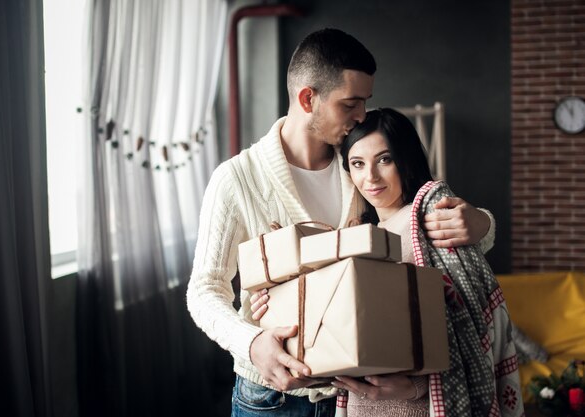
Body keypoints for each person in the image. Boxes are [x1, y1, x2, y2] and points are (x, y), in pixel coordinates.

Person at [187, 28, 496, 417]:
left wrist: (482, 224)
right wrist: (251, 342)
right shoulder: (236, 179)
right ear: (307, 99)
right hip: (271, 399)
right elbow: (203, 290)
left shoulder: (360, 163)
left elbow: (421, 236)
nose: (362, 115)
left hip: (355, 395)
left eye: (365, 102)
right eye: (350, 104)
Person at [322, 108, 522, 416]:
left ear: (406, 159)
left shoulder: (426, 220)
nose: (370, 177)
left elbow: (463, 331)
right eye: (358, 164)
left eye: (384, 159)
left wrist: (416, 387)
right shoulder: (358, 236)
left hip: (417, 406)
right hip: (361, 405)